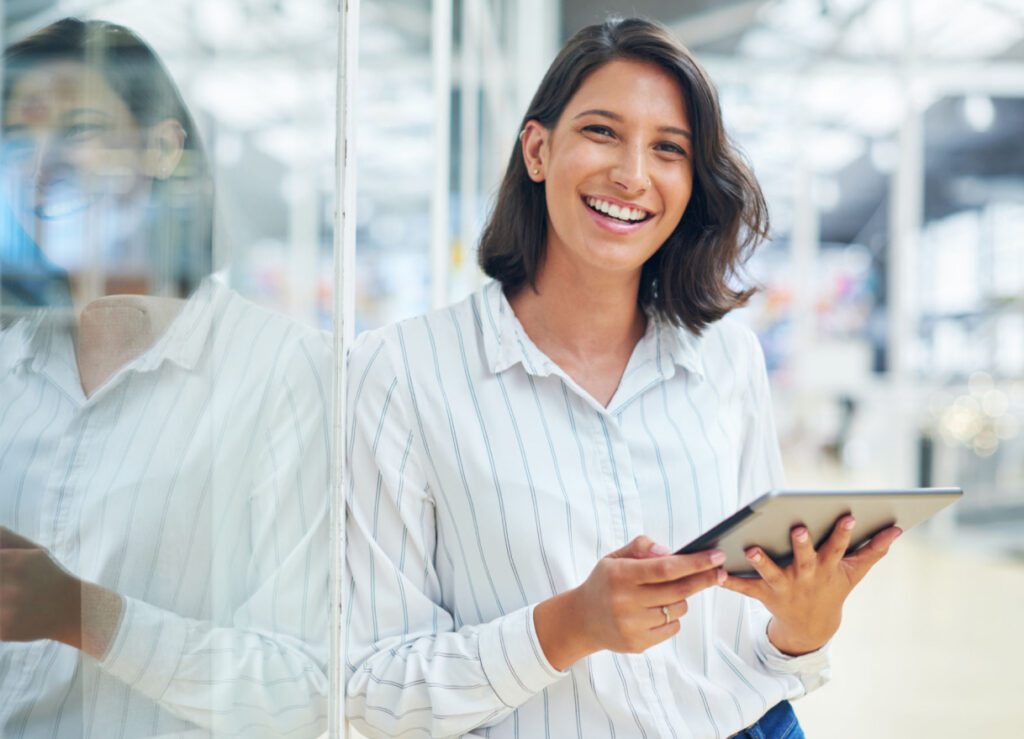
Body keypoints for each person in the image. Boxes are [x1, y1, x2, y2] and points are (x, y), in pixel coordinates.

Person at [345, 16, 901, 738]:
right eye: (602, 132)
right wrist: (568, 625)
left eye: (668, 149)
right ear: (539, 149)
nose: (633, 174)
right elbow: (372, 689)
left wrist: (805, 624)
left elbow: (749, 651)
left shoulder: (726, 358)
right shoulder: (401, 373)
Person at [0, 19, 330, 737]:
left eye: (81, 126)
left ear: (160, 147)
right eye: (19, 138)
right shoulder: (7, 373)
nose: (43, 162)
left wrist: (81, 612)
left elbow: (307, 687)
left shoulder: (283, 374)